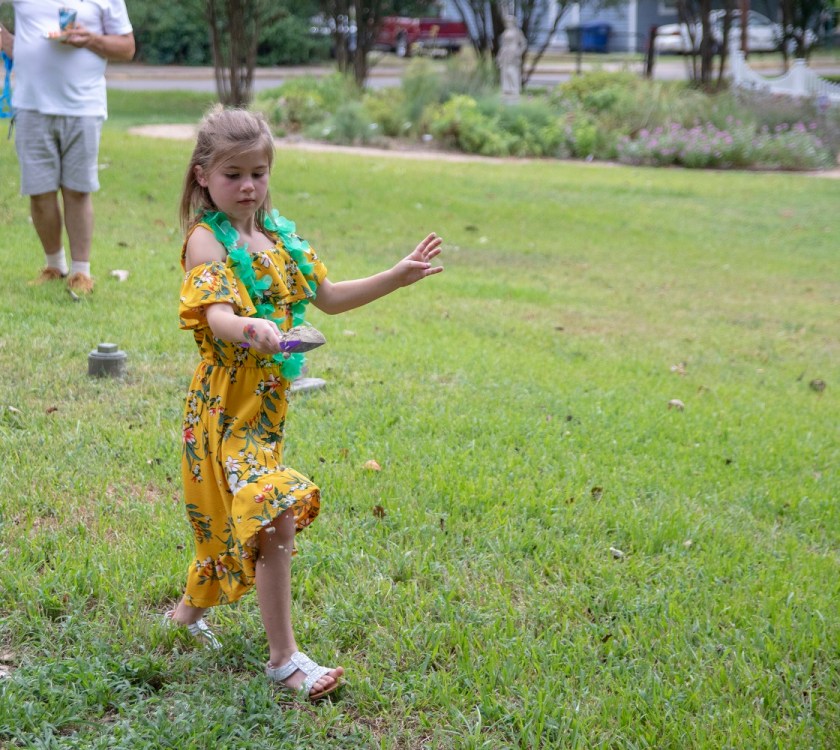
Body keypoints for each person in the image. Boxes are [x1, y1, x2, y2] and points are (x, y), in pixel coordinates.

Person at [167, 106, 443, 701]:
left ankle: (185, 617)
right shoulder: (205, 240)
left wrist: (395, 276)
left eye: (258, 173)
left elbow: (331, 297)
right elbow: (216, 316)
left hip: (265, 410)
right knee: (273, 510)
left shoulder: (280, 238)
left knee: (228, 518)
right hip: (222, 409)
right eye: (233, 174)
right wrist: (250, 329)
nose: (248, 186)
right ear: (203, 176)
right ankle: (283, 659)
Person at [0, 1, 134, 294]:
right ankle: (54, 266)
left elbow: (127, 47)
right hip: (31, 105)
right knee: (39, 191)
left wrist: (91, 39)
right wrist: (7, 41)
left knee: (78, 190)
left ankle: (81, 272)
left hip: (84, 107)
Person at [497, 14, 527, 101]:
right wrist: (500, 55)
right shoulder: (505, 32)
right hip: (505, 53)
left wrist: (519, 52)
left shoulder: (517, 32)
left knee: (512, 71)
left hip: (513, 53)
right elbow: (503, 44)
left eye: (510, 22)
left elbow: (524, 43)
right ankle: (507, 89)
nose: (508, 23)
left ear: (513, 22)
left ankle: (514, 89)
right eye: (507, 22)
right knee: (505, 71)